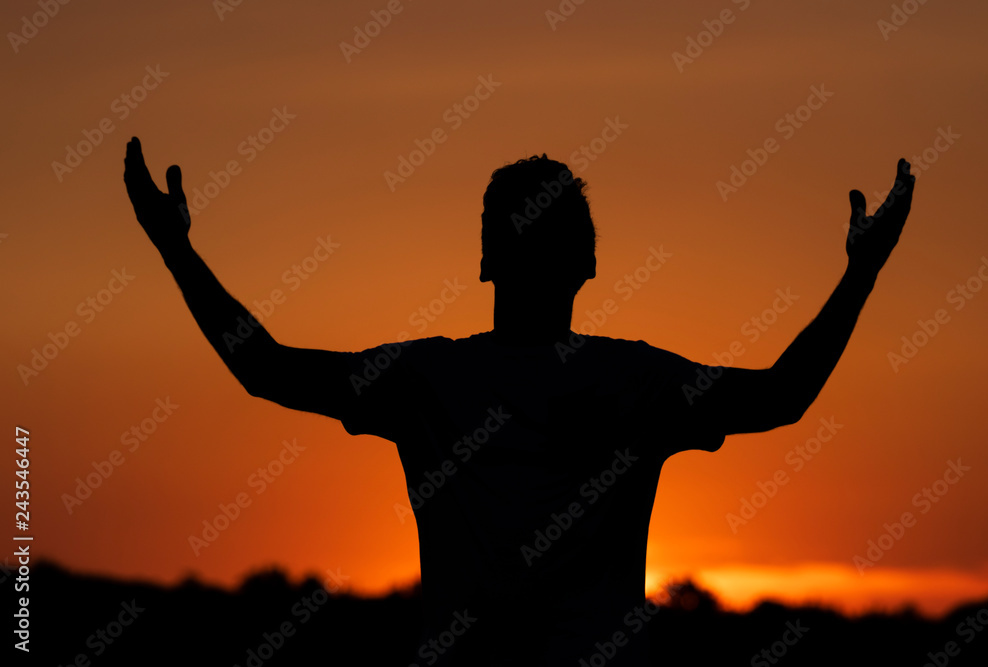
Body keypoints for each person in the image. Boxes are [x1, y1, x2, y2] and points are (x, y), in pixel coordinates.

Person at [123, 138, 914, 666]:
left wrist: (176, 249)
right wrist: (863, 273)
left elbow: (264, 367)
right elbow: (783, 394)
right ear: (592, 263)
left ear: (484, 260)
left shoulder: (428, 380)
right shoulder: (633, 383)